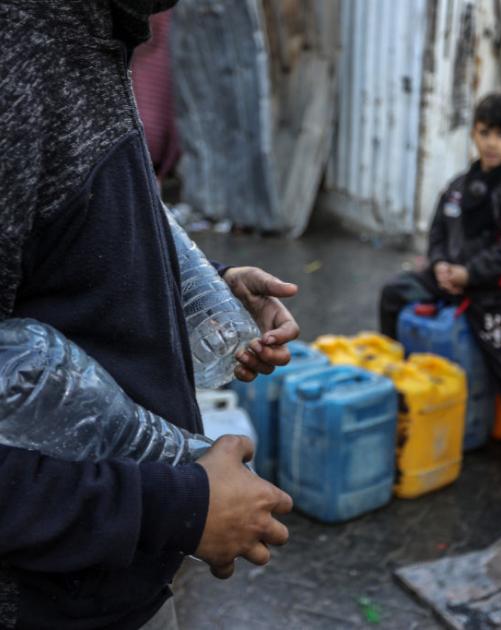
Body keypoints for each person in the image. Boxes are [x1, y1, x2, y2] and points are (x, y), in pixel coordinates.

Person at [0, 2, 299, 629]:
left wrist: (196, 289)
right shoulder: (16, 57)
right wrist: (181, 508)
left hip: (124, 583)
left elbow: (64, 240)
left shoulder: (94, 32)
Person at [380, 93, 501, 460]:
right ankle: (398, 385)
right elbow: (437, 231)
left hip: (493, 293)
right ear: (473, 134)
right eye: (484, 133)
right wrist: (438, 265)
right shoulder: (459, 184)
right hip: (447, 276)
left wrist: (469, 274)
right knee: (394, 293)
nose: (492, 143)